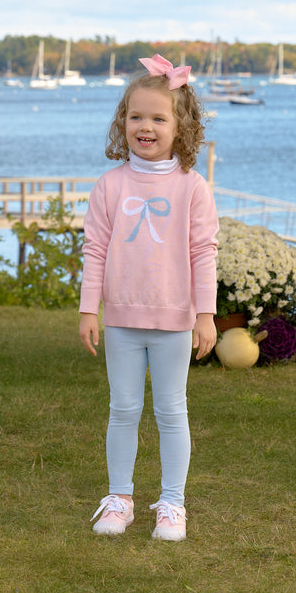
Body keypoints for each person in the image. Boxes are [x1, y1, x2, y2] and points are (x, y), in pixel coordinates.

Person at [79, 53, 218, 542]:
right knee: (122, 409)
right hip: (120, 319)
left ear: (180, 127)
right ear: (123, 122)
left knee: (171, 411)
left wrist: (206, 315)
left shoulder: (192, 188)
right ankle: (119, 498)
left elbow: (203, 252)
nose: (146, 126)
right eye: (136, 116)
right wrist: (87, 309)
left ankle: (173, 504)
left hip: (176, 320)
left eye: (158, 118)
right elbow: (94, 249)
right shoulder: (111, 185)